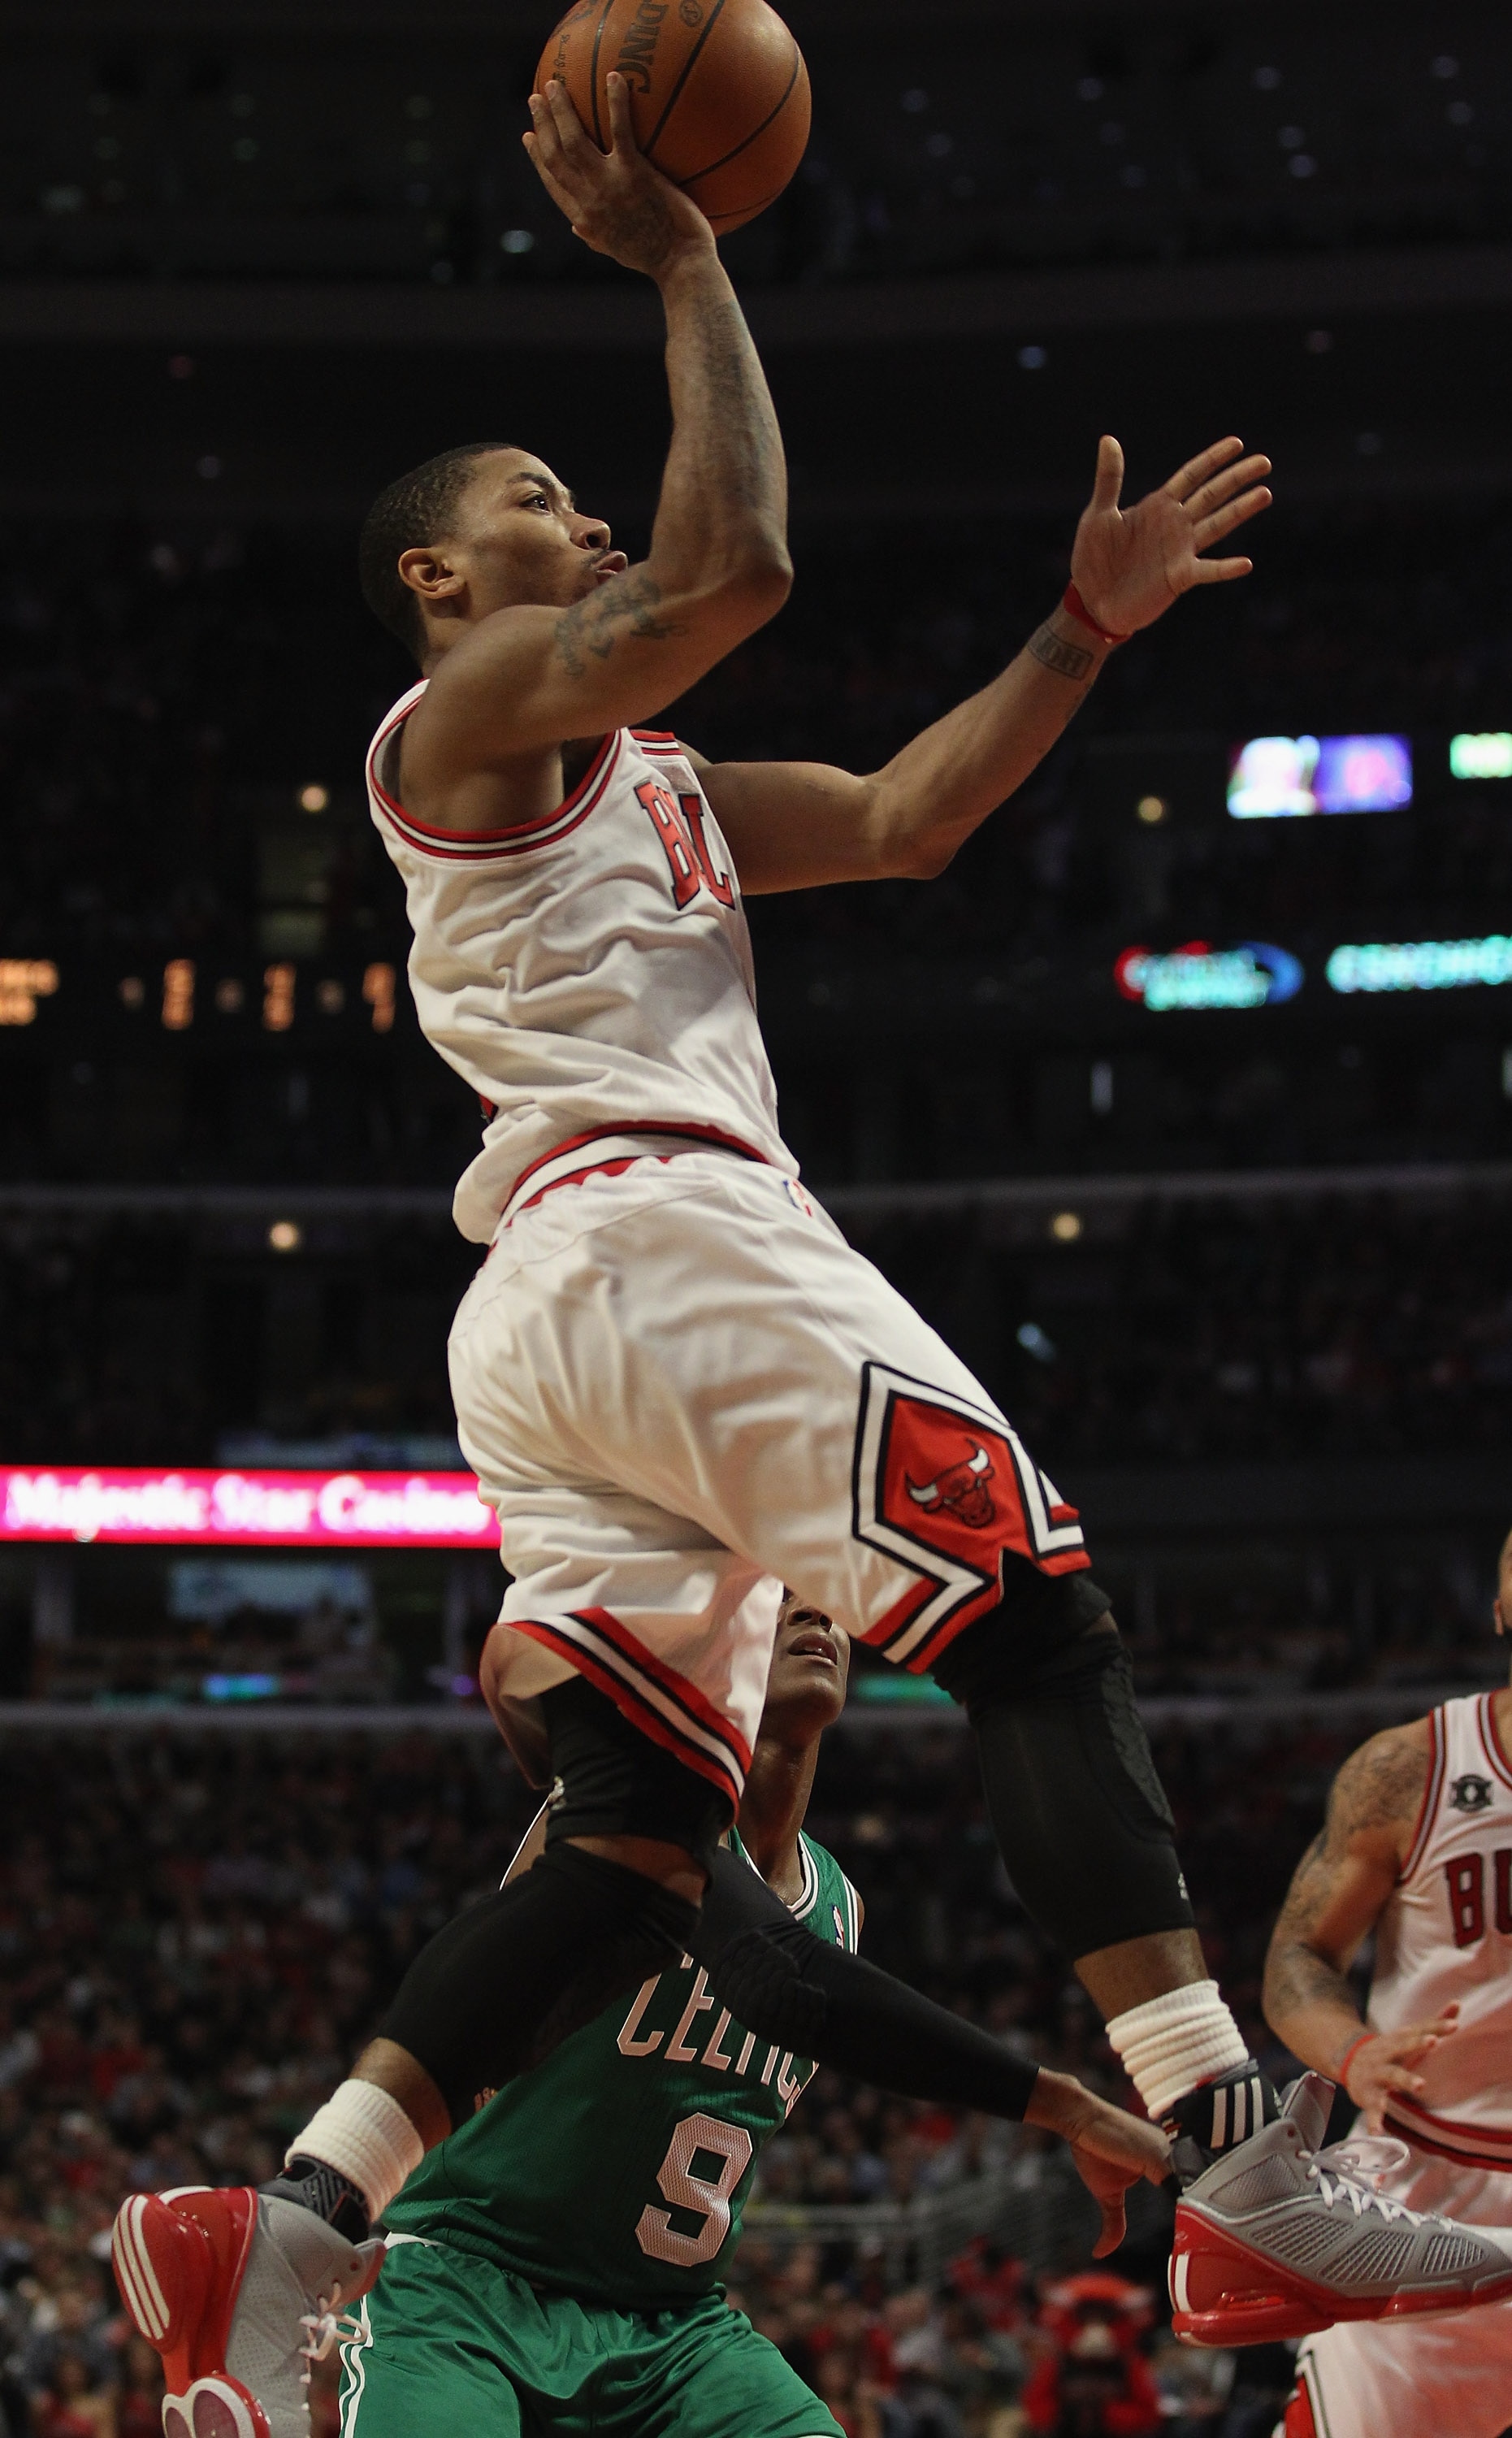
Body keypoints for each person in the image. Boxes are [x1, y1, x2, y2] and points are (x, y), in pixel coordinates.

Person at [110, 74, 1512, 2429]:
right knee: (1040, 1614)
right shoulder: (457, 714)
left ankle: (289, 2228)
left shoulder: (628, 780)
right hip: (660, 1234)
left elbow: (900, 815)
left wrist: (1075, 630)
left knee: (645, 1847)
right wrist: (679, 256)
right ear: (439, 580)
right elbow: (732, 573)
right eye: (526, 501)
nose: (571, 511)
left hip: (553, 1320)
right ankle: (1230, 2158)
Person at [331, 1594, 1163, 2438]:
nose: (812, 1607)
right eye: (774, 1597)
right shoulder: (619, 1818)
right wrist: (1064, 2105)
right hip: (467, 2284)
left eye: (824, 1596)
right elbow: (784, 1977)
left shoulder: (841, 1905)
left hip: (673, 2333)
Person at [1263, 1526, 1512, 2436]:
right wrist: (1355, 2054)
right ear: (1499, 1606)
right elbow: (1299, 1957)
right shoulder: (1410, 1768)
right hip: (1423, 2177)